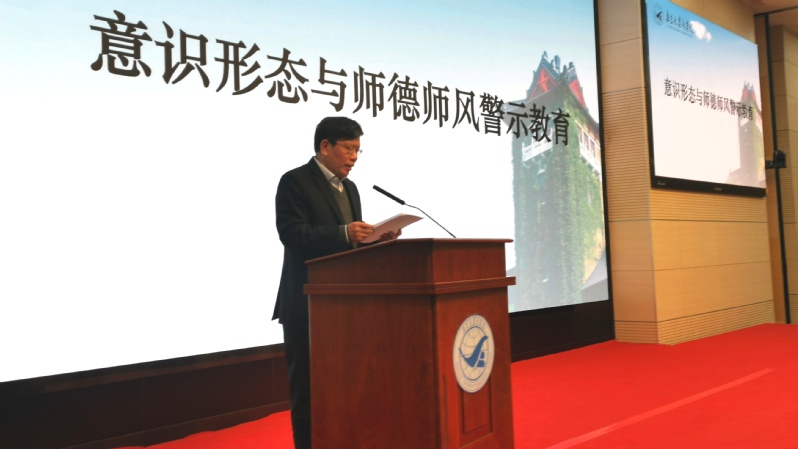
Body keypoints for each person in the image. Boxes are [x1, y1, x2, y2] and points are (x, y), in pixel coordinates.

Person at [273, 116, 398, 449]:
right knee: (308, 391)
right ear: (325, 146)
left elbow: (349, 246)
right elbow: (291, 234)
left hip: (345, 305)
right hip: (306, 304)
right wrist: (343, 232)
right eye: (349, 148)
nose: (354, 157)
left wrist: (376, 239)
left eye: (358, 150)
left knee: (345, 387)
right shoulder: (294, 181)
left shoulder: (350, 188)